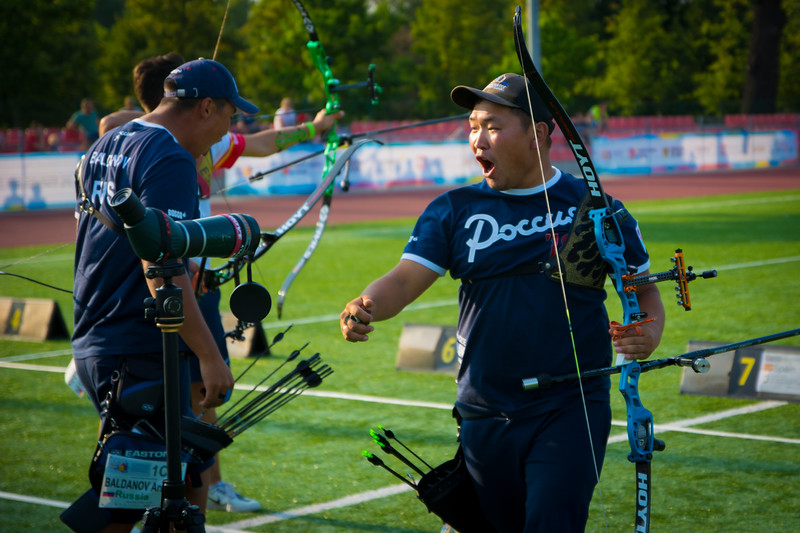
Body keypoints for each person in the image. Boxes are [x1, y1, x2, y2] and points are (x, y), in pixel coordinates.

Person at [339, 73, 665, 533]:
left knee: (551, 523)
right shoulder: (452, 209)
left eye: (491, 125)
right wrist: (366, 302)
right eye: (472, 126)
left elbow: (644, 289)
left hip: (570, 405)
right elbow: (405, 279)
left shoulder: (595, 208)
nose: (477, 138)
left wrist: (649, 331)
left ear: (537, 134)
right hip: (482, 409)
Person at [98, 52, 342, 514]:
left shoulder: (197, 143)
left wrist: (316, 127)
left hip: (189, 282)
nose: (227, 125)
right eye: (222, 111)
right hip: (164, 290)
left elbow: (265, 143)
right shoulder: (153, 146)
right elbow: (113, 120)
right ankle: (191, 493)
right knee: (146, 431)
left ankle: (208, 487)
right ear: (195, 105)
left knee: (188, 406)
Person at [69, 58, 256, 532]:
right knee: (142, 496)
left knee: (168, 478)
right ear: (206, 107)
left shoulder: (109, 141)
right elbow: (161, 266)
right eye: (229, 117)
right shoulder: (170, 156)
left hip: (99, 337)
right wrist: (211, 356)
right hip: (141, 344)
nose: (225, 132)